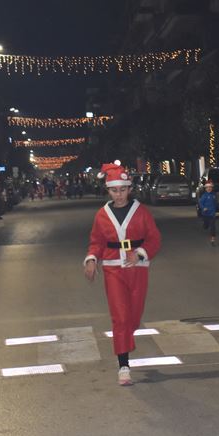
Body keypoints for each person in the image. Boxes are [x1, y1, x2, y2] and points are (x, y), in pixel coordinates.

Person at [84, 163, 161, 386]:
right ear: (108, 191)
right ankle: (123, 366)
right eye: (114, 190)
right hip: (112, 268)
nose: (118, 195)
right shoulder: (102, 215)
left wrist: (140, 253)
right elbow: (96, 242)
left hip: (137, 269)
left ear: (129, 189)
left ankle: (126, 339)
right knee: (120, 317)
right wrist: (92, 259)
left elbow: (154, 239)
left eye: (122, 190)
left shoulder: (142, 212)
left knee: (134, 317)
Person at [198, 179, 218, 246]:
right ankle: (205, 225)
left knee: (213, 226)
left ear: (212, 188)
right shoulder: (204, 195)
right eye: (207, 187)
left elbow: (216, 202)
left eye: (210, 187)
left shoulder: (214, 195)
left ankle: (212, 240)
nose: (209, 189)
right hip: (206, 214)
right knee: (206, 226)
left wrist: (217, 207)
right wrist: (203, 208)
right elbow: (200, 203)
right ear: (205, 188)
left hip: (212, 214)